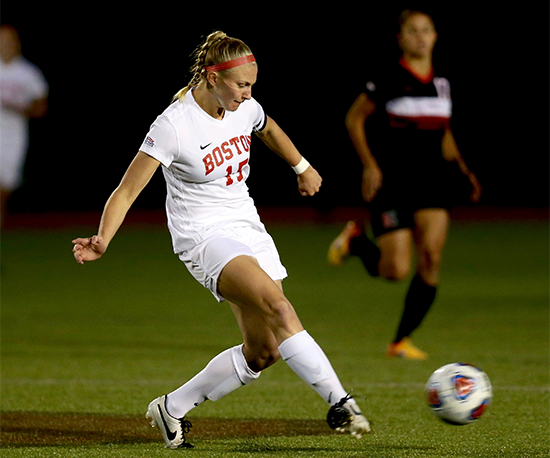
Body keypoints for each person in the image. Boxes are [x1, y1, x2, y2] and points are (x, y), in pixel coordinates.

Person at [72, 31, 370, 449]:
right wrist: (103, 237)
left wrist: (301, 165)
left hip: (246, 227)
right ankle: (341, 402)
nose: (248, 95)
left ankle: (171, 407)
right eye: (241, 85)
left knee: (264, 351)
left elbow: (266, 127)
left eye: (252, 85)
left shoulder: (243, 107)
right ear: (212, 77)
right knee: (278, 306)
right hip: (203, 236)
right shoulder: (174, 125)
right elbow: (126, 189)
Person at [328, 10, 481, 359]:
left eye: (427, 30)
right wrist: (370, 165)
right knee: (395, 270)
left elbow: (443, 132)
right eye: (413, 31)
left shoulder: (442, 81)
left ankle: (400, 341)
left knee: (431, 257)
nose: (420, 37)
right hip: (393, 181)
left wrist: (463, 169)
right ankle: (356, 241)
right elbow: (353, 119)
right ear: (400, 38)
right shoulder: (388, 77)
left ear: (436, 36)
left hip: (433, 181)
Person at [0, 24, 48, 228]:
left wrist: (19, 107)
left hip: (14, 134)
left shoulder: (27, 72)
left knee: (7, 181)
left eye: (9, 39)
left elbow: (41, 107)